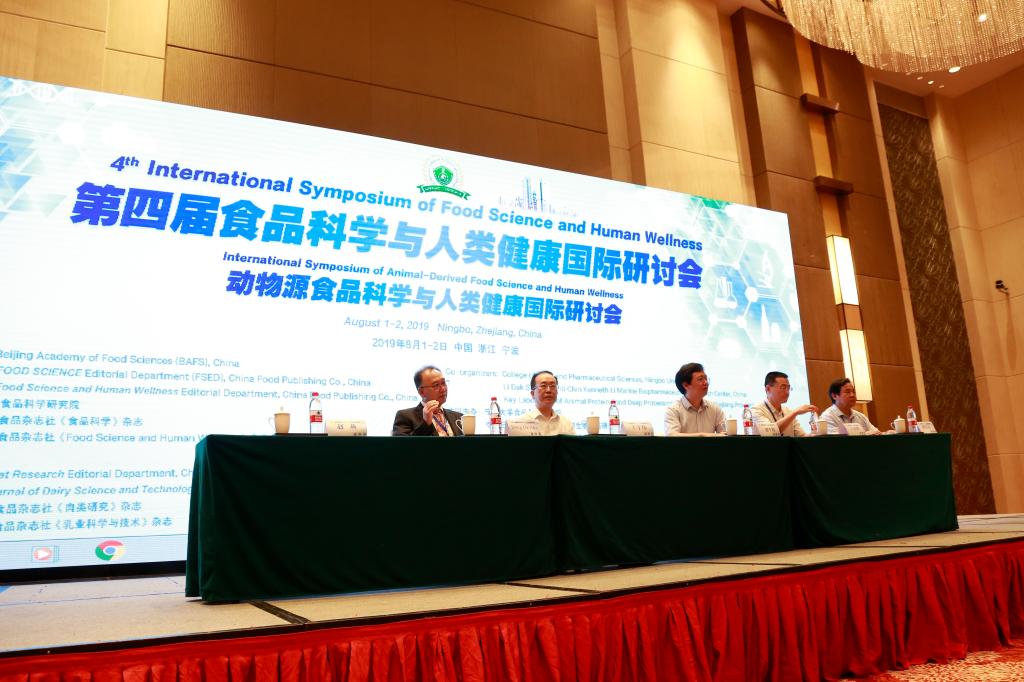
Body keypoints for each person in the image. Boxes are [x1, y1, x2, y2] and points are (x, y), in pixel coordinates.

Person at [391, 366, 464, 436]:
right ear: (421, 392)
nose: (443, 389)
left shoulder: (458, 417)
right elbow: (402, 444)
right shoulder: (405, 417)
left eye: (443, 383)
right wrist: (425, 423)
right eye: (436, 385)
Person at [664, 362, 726, 435]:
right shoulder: (673, 410)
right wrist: (702, 436)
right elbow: (672, 436)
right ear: (686, 385)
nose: (706, 382)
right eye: (700, 379)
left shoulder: (715, 409)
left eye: (706, 378)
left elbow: (725, 434)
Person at [750, 371, 817, 436]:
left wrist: (815, 433)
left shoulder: (788, 411)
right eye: (783, 388)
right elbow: (769, 433)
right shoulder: (757, 410)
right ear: (768, 389)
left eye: (788, 388)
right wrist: (795, 412)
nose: (787, 392)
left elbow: (802, 436)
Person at [515, 371, 576, 435]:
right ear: (533, 394)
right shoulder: (520, 424)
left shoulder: (566, 423)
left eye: (553, 386)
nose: (548, 390)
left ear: (557, 392)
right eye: (543, 386)